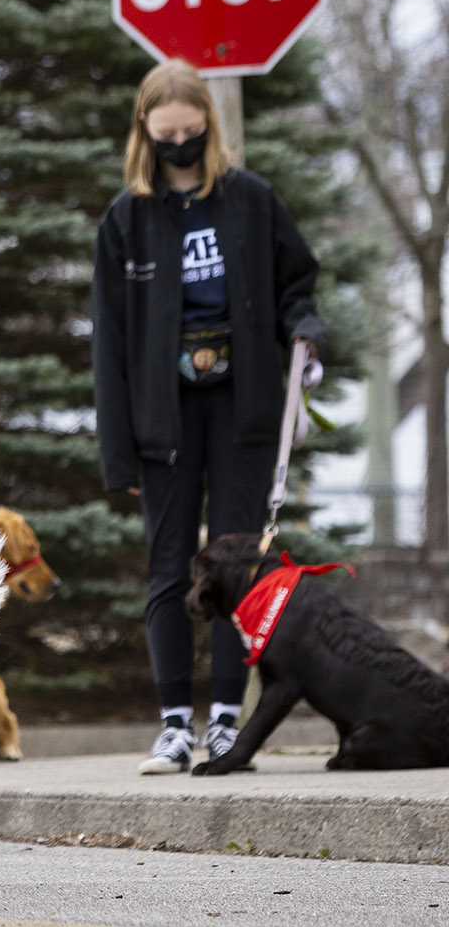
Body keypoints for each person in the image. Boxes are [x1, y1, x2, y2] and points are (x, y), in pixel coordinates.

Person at [92, 57, 323, 776]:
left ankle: (225, 721)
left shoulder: (251, 200)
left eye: (190, 132)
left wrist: (305, 330)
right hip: (162, 417)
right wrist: (119, 453)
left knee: (237, 562)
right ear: (145, 131)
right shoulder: (127, 218)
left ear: (208, 127)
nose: (180, 146)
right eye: (166, 136)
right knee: (168, 565)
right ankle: (173, 726)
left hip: (241, 406)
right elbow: (110, 342)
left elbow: (296, 282)